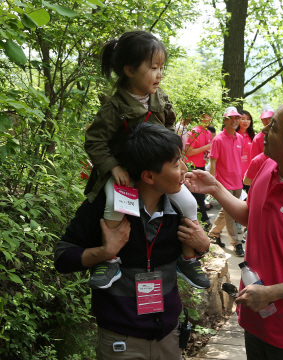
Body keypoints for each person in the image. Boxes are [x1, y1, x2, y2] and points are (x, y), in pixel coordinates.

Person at [185, 96, 283, 360]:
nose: (263, 131)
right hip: (255, 320)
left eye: (274, 127)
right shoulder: (268, 166)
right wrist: (216, 187)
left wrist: (271, 292)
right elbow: (252, 216)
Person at [55, 123, 211, 359]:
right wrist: (105, 251)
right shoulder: (104, 208)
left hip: (168, 336)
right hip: (120, 340)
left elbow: (186, 252)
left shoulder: (178, 209)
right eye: (175, 163)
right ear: (148, 175)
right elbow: (62, 257)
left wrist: (203, 246)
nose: (184, 168)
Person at [83, 30, 209, 290]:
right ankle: (110, 259)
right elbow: (94, 141)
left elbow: (171, 124)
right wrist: (114, 167)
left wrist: (175, 155)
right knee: (116, 206)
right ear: (129, 70)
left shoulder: (160, 98)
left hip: (157, 170)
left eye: (161, 67)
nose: (159, 74)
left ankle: (188, 259)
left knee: (187, 203)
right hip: (125, 172)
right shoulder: (114, 108)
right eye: (153, 68)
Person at [207, 106, 245, 256]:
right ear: (225, 120)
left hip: (238, 182)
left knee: (227, 211)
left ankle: (214, 234)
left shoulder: (240, 138)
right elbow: (213, 163)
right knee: (231, 213)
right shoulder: (218, 139)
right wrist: (211, 183)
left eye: (237, 118)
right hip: (224, 183)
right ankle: (236, 243)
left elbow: (238, 160)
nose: (235, 121)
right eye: (231, 118)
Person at [185, 114, 213, 231]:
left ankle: (202, 222)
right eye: (206, 116)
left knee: (199, 196)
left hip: (202, 166)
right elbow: (188, 152)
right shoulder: (194, 131)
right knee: (197, 196)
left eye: (209, 116)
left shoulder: (208, 132)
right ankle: (204, 221)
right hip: (192, 166)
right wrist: (206, 147)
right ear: (200, 117)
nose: (208, 119)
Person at [237, 109, 256, 191]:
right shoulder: (234, 136)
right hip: (237, 175)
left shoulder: (252, 136)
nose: (246, 121)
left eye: (248, 119)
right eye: (243, 118)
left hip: (249, 174)